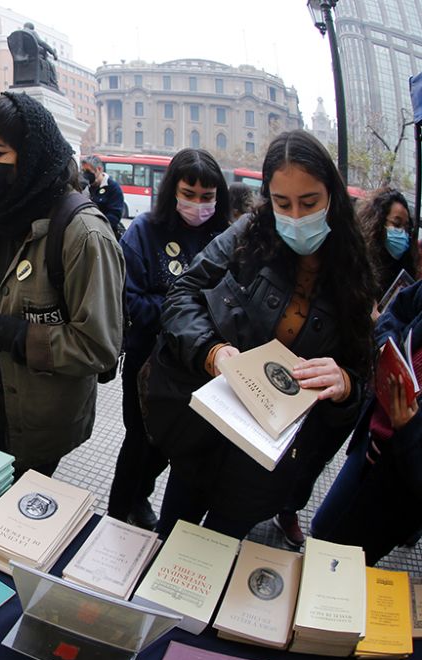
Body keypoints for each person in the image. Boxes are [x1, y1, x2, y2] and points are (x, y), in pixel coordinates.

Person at [141, 130, 374, 541]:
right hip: (204, 434)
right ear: (268, 197)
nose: (297, 218)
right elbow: (182, 295)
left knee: (220, 553)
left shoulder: (353, 271)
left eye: (310, 203)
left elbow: (359, 376)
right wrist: (211, 352)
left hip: (265, 463)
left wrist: (345, 384)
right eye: (283, 203)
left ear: (332, 196)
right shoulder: (249, 234)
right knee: (170, 538)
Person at [0, 92, 124, 477]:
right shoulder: (6, 212)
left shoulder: (85, 234)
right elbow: (19, 281)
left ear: (33, 156)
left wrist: (10, 332)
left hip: (42, 412)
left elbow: (98, 347)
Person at [107, 149, 230, 530]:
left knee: (168, 447)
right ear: (172, 190)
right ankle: (118, 512)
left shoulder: (223, 236)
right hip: (148, 361)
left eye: (206, 196)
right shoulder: (144, 231)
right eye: (188, 193)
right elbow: (130, 299)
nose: (197, 204)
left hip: (198, 368)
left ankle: (141, 497)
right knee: (139, 442)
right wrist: (184, 315)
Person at [311, 281, 422, 565]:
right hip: (372, 437)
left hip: (401, 483)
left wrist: (410, 430)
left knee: (350, 560)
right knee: (323, 527)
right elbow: (398, 311)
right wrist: (386, 343)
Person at [359, 187, 415, 303]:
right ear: (377, 222)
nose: (403, 234)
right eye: (396, 224)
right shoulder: (358, 263)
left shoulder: (405, 271)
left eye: (406, 228)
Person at [81, 156, 126, 240]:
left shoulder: (113, 188)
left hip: (104, 236)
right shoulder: (84, 187)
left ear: (99, 169)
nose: (85, 175)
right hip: (85, 234)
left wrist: (95, 225)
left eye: (88, 171)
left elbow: (114, 216)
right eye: (83, 171)